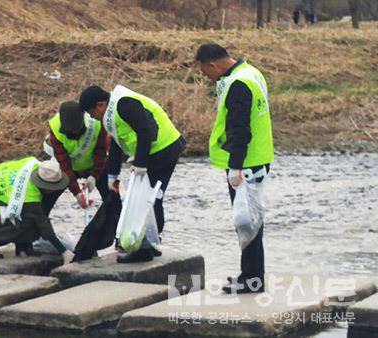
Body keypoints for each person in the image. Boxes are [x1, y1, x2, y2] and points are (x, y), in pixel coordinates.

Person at [195, 43, 274, 294]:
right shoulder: (251, 72)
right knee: (251, 219)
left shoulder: (238, 84)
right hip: (258, 158)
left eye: (204, 72)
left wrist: (235, 167)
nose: (206, 77)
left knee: (247, 221)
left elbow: (240, 130)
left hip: (247, 163)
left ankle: (252, 279)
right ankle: (251, 274)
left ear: (213, 65)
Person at [78, 85, 186, 263]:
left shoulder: (124, 104)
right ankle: (151, 244)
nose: (91, 118)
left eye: (91, 113)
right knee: (149, 199)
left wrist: (141, 163)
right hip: (154, 152)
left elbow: (146, 131)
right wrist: (112, 176)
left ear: (100, 105)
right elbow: (116, 144)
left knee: (149, 199)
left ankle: (145, 249)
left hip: (163, 150)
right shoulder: (110, 113)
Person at [0, 157, 70, 259]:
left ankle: (24, 246)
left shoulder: (33, 164)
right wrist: (63, 251)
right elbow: (43, 225)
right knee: (29, 221)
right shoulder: (29, 194)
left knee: (28, 215)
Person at [42, 101, 109, 215]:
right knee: (46, 200)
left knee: (111, 198)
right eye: (70, 131)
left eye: (76, 130)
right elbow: (64, 164)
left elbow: (101, 152)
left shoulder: (96, 124)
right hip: (70, 167)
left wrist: (94, 176)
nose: (73, 132)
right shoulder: (55, 132)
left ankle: (113, 227)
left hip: (95, 165)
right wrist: (76, 192)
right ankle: (40, 228)